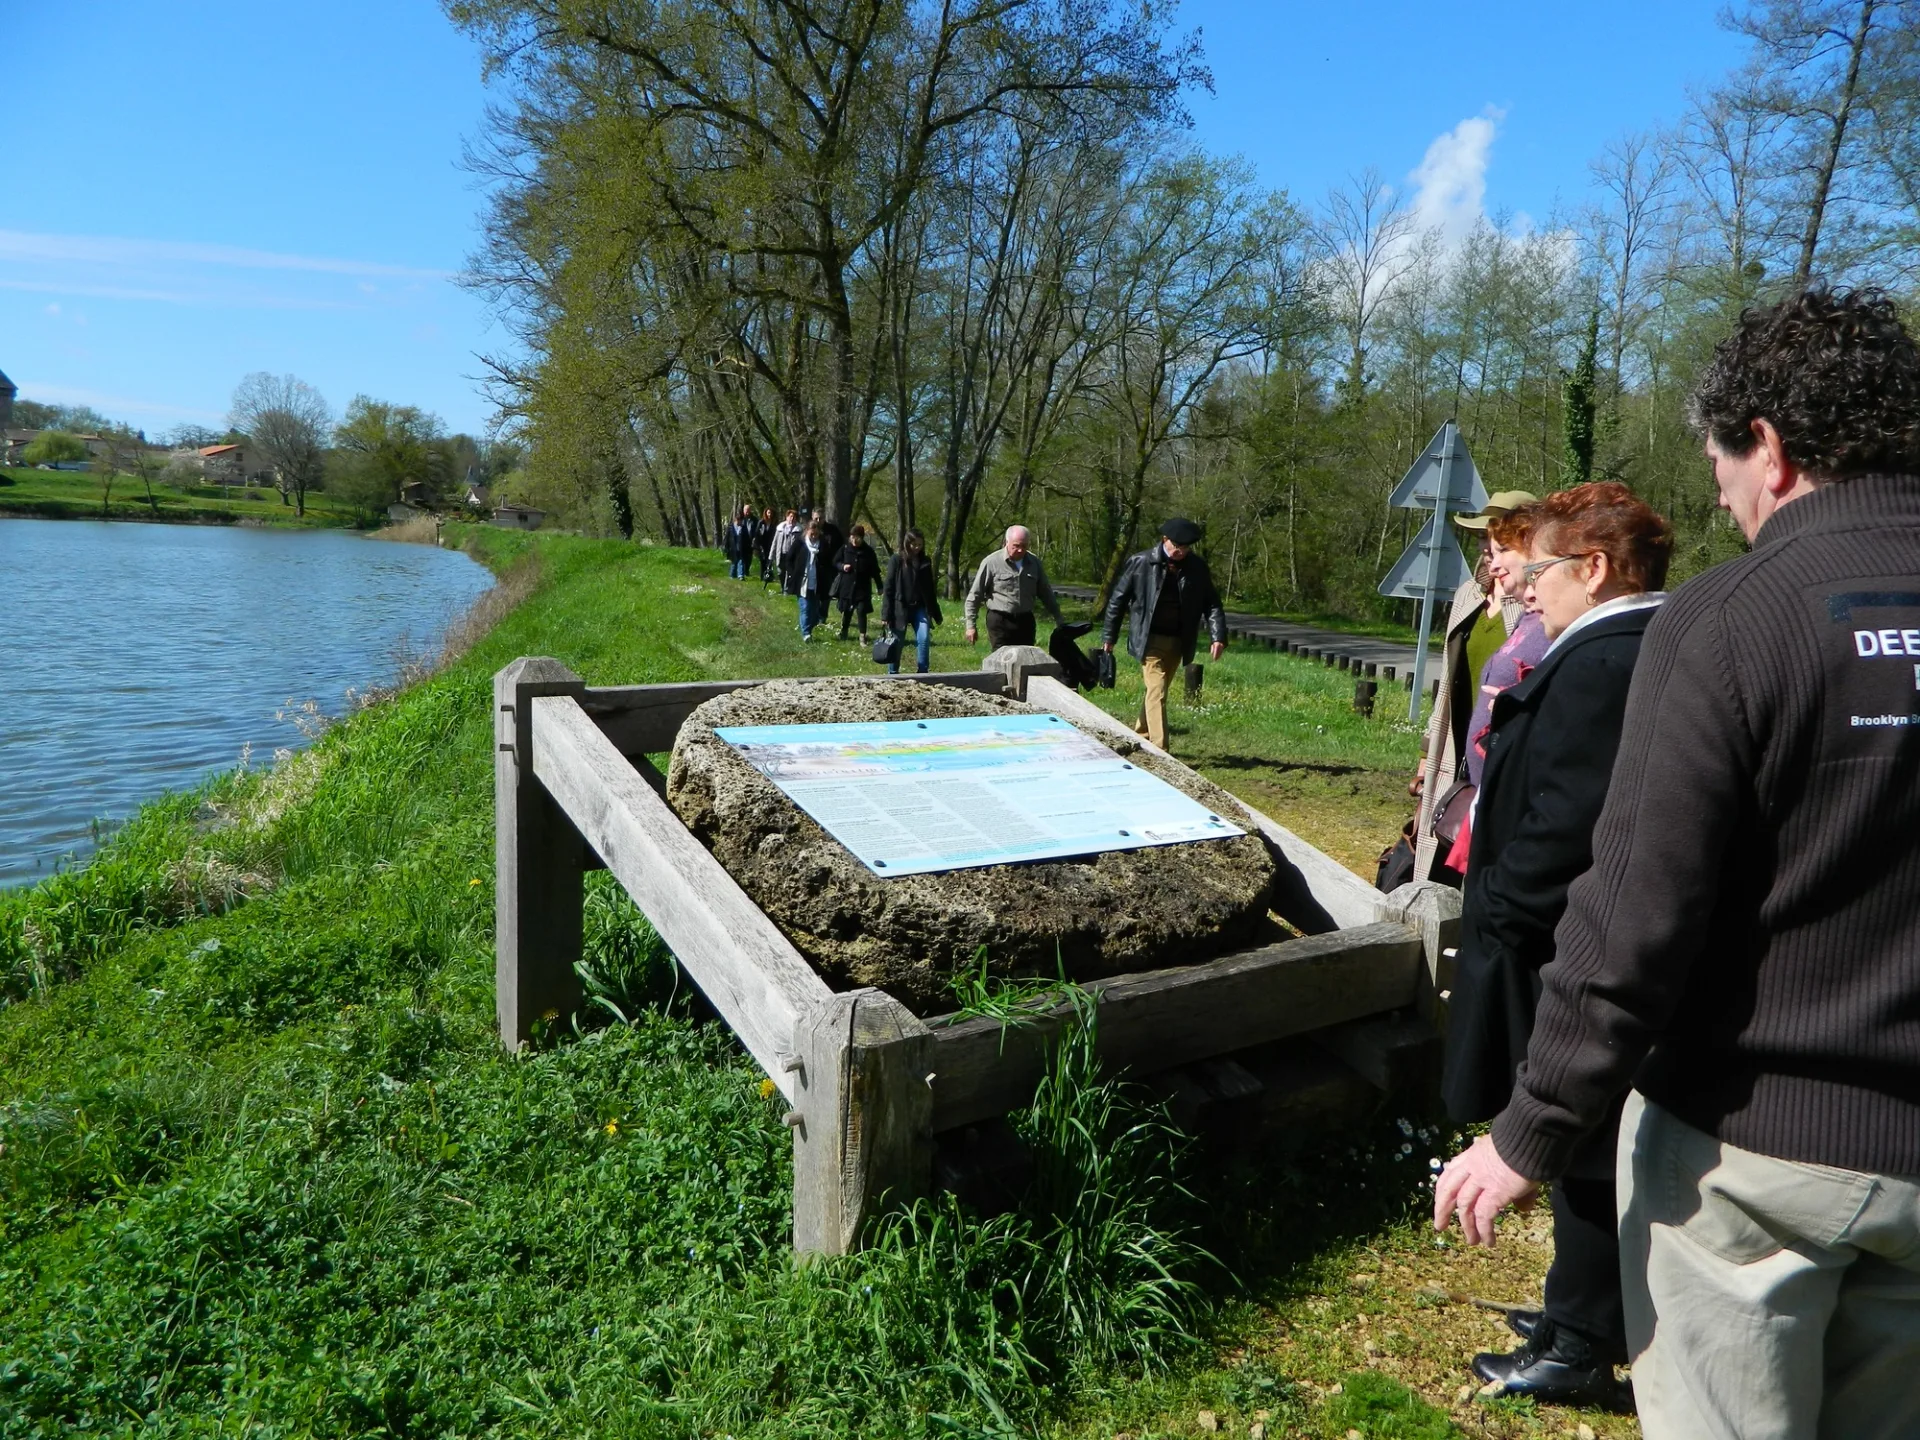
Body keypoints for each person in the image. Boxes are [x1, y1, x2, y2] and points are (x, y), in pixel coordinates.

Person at [1432, 288, 1920, 1438]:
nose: (1725, 499)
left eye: (1721, 468)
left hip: (1750, 1165)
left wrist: (1532, 1124)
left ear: (1777, 448)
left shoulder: (1730, 620)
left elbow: (1635, 914)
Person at [1441, 482, 1672, 1409]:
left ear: (1594, 569)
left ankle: (1579, 1341)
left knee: (1579, 1140)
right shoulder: (1629, 648)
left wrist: (1497, 901)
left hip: (1559, 937)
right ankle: (1575, 1311)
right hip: (1571, 926)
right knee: (1585, 1137)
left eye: (1540, 571)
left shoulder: (1603, 660)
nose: (1525, 589)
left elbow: (1568, 818)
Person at [1411, 491, 1542, 884]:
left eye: (1498, 541)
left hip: (1494, 754)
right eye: (1484, 539)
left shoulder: (1533, 607)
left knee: (1480, 867)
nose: (1487, 550)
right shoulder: (1468, 595)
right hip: (1452, 751)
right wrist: (1425, 754)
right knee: (1435, 859)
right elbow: (1448, 683)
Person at [1100, 518, 1226, 753]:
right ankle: (1160, 750)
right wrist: (1109, 637)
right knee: (1157, 690)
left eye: (1186, 548)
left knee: (1156, 692)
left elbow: (1212, 604)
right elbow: (1117, 600)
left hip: (1179, 640)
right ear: (1164, 540)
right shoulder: (1140, 562)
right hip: (1148, 639)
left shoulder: (1197, 568)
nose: (1181, 552)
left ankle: (1141, 733)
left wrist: (1218, 637)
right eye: (1177, 546)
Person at [963, 525, 1065, 652]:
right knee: (1001, 659)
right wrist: (970, 626)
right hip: (1000, 621)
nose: (1020, 550)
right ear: (1006, 542)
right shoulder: (991, 562)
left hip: (1025, 621)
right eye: (1016, 546)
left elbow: (1046, 593)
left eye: (1024, 546)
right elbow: (975, 595)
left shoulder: (1034, 563)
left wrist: (1059, 618)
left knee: (1026, 658)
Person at [881, 528, 943, 674]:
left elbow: (929, 589)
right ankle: (893, 673)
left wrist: (934, 612)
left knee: (924, 638)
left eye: (920, 545)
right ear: (907, 543)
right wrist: (885, 614)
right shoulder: (896, 560)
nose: (916, 548)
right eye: (914, 544)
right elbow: (888, 588)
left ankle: (923, 672)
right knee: (897, 642)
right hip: (900, 607)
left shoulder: (925, 562)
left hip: (919, 608)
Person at [781, 517, 832, 640]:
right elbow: (789, 559)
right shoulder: (800, 543)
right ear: (806, 531)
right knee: (805, 608)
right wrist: (793, 573)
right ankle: (806, 633)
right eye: (811, 534)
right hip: (802, 581)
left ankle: (809, 627)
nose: (814, 536)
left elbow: (828, 562)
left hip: (817, 582)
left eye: (816, 534)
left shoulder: (823, 545)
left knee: (814, 611)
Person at [832, 524, 881, 641]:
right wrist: (842, 566)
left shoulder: (868, 552)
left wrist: (880, 586)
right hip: (847, 586)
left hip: (862, 587)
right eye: (852, 537)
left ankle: (862, 636)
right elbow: (835, 561)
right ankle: (844, 632)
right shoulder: (845, 549)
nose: (854, 540)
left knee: (861, 610)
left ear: (862, 537)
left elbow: (875, 570)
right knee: (847, 611)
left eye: (857, 537)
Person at [768, 509, 801, 592]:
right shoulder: (780, 529)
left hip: (791, 555)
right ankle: (783, 587)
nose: (792, 519)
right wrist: (771, 557)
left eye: (794, 517)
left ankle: (786, 589)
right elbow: (774, 543)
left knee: (788, 572)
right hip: (781, 554)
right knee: (780, 572)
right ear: (787, 517)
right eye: (790, 516)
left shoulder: (799, 530)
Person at [724, 504, 759, 580]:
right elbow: (727, 538)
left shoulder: (744, 528)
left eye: (740, 521)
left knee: (741, 561)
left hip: (742, 547)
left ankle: (741, 575)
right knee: (734, 562)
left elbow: (747, 537)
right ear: (735, 520)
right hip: (733, 548)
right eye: (738, 521)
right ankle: (732, 575)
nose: (739, 522)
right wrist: (726, 547)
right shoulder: (730, 528)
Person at [757, 505, 777, 582]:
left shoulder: (774, 523)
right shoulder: (761, 522)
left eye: (771, 513)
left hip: (771, 544)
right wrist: (758, 545)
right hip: (762, 545)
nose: (769, 514)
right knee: (763, 560)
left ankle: (769, 575)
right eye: (768, 513)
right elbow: (757, 534)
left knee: (769, 560)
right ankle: (762, 576)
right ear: (765, 513)